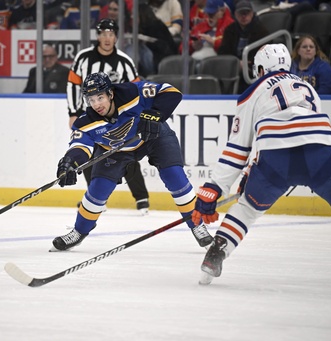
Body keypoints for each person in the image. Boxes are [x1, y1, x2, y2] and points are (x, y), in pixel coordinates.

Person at [192, 43, 331, 287]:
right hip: (320, 151)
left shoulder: (252, 92)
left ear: (261, 68)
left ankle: (215, 255)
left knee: (247, 208)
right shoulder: (307, 86)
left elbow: (238, 148)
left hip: (276, 158)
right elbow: (306, 130)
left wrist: (213, 189)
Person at [51, 72, 213, 251]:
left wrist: (155, 115)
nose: (96, 104)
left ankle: (197, 225)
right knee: (97, 189)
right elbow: (80, 146)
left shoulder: (133, 92)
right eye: (91, 99)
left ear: (110, 93)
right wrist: (69, 162)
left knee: (175, 176)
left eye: (100, 97)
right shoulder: (86, 122)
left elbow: (171, 91)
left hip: (154, 137)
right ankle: (79, 231)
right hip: (116, 151)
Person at [66, 18, 150, 214]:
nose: (107, 38)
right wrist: (73, 112)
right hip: (92, 116)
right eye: (103, 33)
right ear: (97, 36)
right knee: (88, 154)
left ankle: (141, 197)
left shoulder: (124, 61)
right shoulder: (83, 58)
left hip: (119, 118)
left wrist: (138, 114)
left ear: (116, 37)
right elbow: (72, 84)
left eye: (111, 34)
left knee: (126, 152)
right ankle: (96, 199)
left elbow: (137, 88)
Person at [217, 0, 270, 93]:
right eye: (241, 13)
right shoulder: (230, 30)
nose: (244, 16)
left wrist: (247, 64)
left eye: (247, 13)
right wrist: (236, 62)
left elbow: (265, 53)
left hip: (253, 69)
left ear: (252, 14)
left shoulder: (262, 31)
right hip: (233, 67)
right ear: (235, 14)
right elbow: (223, 52)